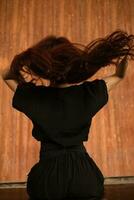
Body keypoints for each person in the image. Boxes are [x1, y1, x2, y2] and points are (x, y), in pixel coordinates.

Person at [0, 29, 134, 200]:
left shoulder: (34, 97)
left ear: (44, 68)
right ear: (73, 64)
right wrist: (119, 60)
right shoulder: (89, 93)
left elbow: (6, 74)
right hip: (84, 177)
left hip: (47, 180)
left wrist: (26, 58)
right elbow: (119, 76)